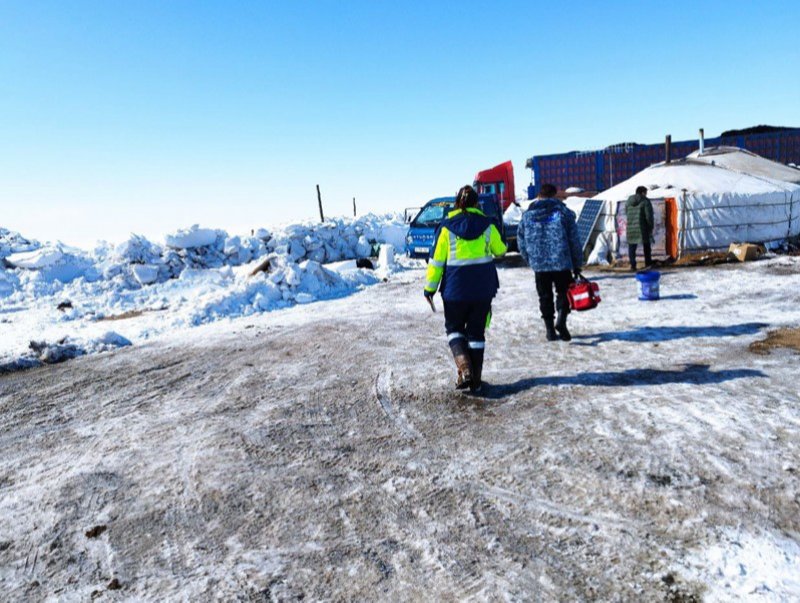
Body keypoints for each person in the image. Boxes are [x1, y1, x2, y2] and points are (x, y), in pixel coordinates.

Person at [424, 185, 507, 393]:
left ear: (456, 203)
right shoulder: (487, 225)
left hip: (454, 290)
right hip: (483, 290)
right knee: (476, 332)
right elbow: (501, 250)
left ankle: (465, 368)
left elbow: (436, 262)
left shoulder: (446, 228)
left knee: (454, 330)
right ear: (476, 203)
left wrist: (429, 289)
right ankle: (476, 381)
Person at [516, 183, 582, 342]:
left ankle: (550, 330)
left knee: (544, 296)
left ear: (539, 195)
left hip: (539, 264)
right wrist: (577, 263)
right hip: (561, 262)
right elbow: (574, 240)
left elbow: (521, 241)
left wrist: (530, 259)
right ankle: (561, 320)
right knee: (564, 292)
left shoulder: (527, 216)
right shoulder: (564, 213)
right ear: (554, 195)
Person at [626, 185, 654, 270]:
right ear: (642, 192)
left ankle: (633, 265)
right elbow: (648, 216)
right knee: (646, 245)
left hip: (631, 226)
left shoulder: (628, 201)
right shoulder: (645, 201)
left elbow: (626, 212)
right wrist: (650, 226)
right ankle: (648, 263)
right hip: (642, 227)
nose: (646, 194)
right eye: (646, 192)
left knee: (632, 246)